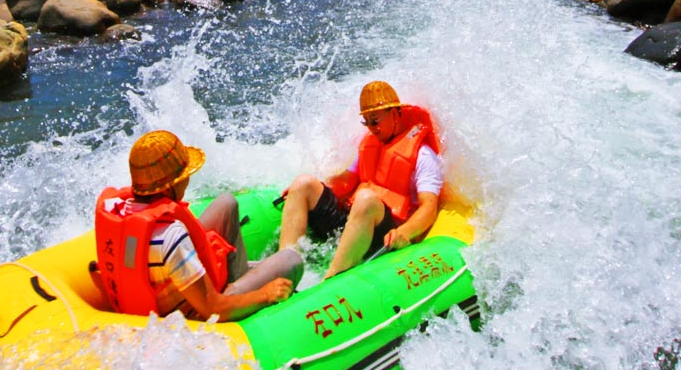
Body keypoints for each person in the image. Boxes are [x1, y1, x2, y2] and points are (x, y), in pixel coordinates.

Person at [94, 130, 301, 321]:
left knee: (226, 203)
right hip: (197, 312)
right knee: (290, 259)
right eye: (185, 176)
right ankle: (242, 290)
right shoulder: (170, 235)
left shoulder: (120, 212)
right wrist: (264, 294)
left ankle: (242, 277)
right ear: (172, 185)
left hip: (162, 292)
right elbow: (212, 308)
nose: (188, 181)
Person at [279, 81, 443, 279]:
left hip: (385, 232)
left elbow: (428, 208)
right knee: (303, 183)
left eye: (375, 121)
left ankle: (330, 279)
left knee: (365, 199)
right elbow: (348, 180)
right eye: (366, 122)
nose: (371, 128)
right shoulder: (371, 144)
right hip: (355, 221)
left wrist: (405, 232)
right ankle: (283, 269)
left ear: (395, 113)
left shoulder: (423, 155)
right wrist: (310, 192)